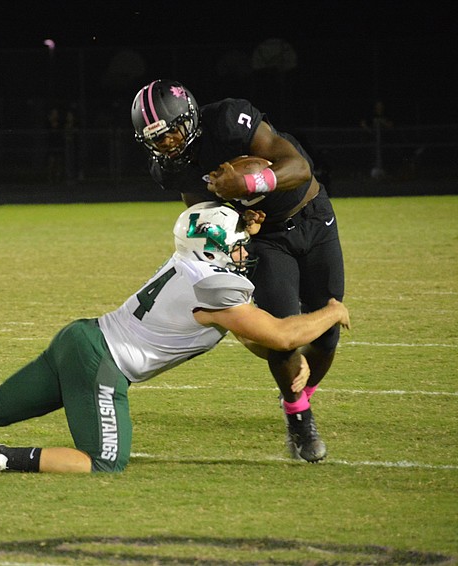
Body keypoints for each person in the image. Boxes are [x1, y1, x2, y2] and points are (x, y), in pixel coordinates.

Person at [0, 202, 350, 474]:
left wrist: (278, 349)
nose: (244, 250)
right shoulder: (215, 284)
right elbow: (282, 333)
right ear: (215, 249)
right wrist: (331, 310)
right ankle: (1, 456)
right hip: (102, 363)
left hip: (82, 337)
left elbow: (253, 336)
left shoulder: (189, 266)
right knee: (105, 462)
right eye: (237, 243)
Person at [130, 79, 345, 462]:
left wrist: (246, 181)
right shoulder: (170, 169)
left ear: (190, 117)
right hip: (265, 238)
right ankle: (299, 417)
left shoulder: (229, 121)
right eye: (156, 139)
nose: (166, 144)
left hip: (312, 216)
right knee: (281, 336)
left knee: (326, 335)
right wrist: (239, 220)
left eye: (170, 132)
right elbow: (205, 211)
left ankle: (298, 393)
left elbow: (298, 166)